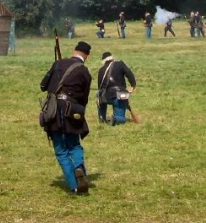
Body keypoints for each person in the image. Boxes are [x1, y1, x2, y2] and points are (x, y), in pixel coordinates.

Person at [39, 41, 93, 195]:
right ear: (86, 56)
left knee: (61, 150)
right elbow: (84, 99)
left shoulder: (58, 64)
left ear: (74, 51)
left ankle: (74, 187)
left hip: (54, 110)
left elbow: (43, 86)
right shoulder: (84, 72)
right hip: (73, 110)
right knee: (74, 145)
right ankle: (78, 167)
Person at [96, 52, 137, 125]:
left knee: (98, 94)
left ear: (103, 61)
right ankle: (115, 119)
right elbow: (129, 74)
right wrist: (133, 85)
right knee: (120, 117)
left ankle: (102, 118)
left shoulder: (101, 70)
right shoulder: (120, 64)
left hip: (106, 97)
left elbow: (100, 87)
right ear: (112, 58)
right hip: (120, 96)